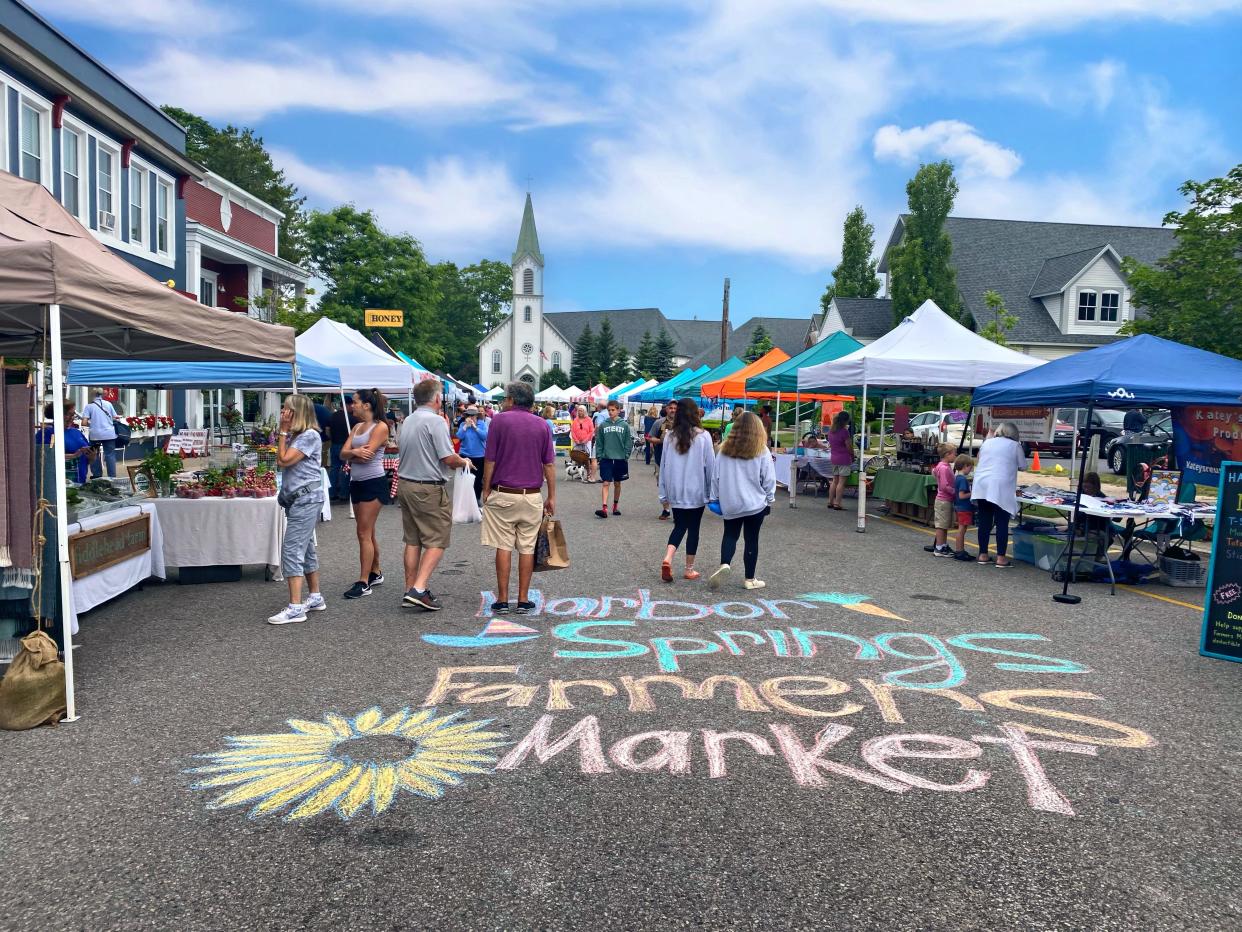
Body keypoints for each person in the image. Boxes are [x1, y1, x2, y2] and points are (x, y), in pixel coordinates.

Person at [481, 381, 556, 615]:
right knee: (526, 547)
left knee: (503, 545)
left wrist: (485, 488)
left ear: (511, 399)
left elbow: (490, 459)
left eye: (505, 398)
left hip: (504, 492)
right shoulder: (542, 425)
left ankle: (502, 599)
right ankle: (523, 599)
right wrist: (551, 495)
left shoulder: (499, 421)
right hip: (531, 495)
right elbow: (549, 464)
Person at [397, 379, 473, 611]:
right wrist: (464, 461)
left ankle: (410, 588)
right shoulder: (435, 421)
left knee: (413, 539)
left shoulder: (408, 420)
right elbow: (447, 458)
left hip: (406, 482)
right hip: (427, 486)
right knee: (437, 538)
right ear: (437, 398)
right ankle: (419, 589)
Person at [267, 395, 327, 624]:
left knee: (292, 549)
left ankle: (295, 607)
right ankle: (314, 596)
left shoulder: (309, 436)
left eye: (287, 409)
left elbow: (283, 460)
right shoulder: (301, 436)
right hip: (301, 499)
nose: (283, 413)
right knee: (307, 548)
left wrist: (282, 431)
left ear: (297, 413)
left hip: (305, 499)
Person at [709, 411, 775, 591]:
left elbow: (716, 476)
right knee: (751, 539)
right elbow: (768, 478)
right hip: (755, 504)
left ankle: (725, 563)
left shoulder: (724, 450)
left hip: (731, 502)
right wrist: (770, 499)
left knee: (730, 534)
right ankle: (749, 579)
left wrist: (714, 497)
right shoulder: (762, 450)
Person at [340, 388, 390, 598]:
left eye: (356, 402)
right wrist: (353, 453)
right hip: (357, 482)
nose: (352, 405)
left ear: (367, 405)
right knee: (367, 531)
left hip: (373, 482)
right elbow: (343, 453)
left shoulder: (380, 427)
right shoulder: (358, 426)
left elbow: (366, 457)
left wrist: (352, 455)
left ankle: (363, 581)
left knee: (363, 532)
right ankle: (375, 571)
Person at [657, 397, 714, 582]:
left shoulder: (670, 437)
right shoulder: (703, 436)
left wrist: (663, 492)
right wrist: (712, 492)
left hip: (676, 490)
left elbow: (664, 465)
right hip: (696, 490)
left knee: (679, 525)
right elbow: (710, 466)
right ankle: (689, 568)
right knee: (694, 528)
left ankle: (668, 557)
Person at [971, 421, 1026, 568]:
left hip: (982, 485)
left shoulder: (987, 443)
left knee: (984, 521)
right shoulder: (1015, 446)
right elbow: (1023, 466)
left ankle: (983, 554)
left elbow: (981, 459)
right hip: (1000, 487)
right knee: (1002, 522)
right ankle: (1001, 558)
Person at [36, 401, 93, 484]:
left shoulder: (77, 433)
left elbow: (87, 460)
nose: (72, 418)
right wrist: (74, 456)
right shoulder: (47, 433)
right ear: (57, 414)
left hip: (80, 483)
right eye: (69, 414)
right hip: (58, 484)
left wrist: (92, 456)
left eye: (73, 415)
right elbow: (46, 457)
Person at [594, 400, 633, 518]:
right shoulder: (604, 425)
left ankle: (615, 506)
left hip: (620, 458)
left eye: (613, 410)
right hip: (606, 458)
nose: (611, 412)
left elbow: (628, 441)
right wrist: (599, 456)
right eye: (609, 410)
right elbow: (599, 441)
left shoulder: (624, 425)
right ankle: (604, 508)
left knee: (617, 483)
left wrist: (626, 455)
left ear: (618, 410)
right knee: (606, 482)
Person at [82, 389, 119, 478]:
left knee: (94, 454)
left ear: (93, 395)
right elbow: (115, 417)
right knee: (110, 455)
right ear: (101, 395)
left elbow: (84, 423)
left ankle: (97, 476)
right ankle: (112, 477)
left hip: (95, 434)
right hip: (109, 434)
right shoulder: (109, 404)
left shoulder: (89, 406)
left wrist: (92, 422)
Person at [649, 401, 677, 516]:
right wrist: (661, 440)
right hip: (660, 458)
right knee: (661, 483)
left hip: (676, 460)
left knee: (675, 485)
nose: (673, 410)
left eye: (675, 408)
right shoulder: (659, 422)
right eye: (671, 408)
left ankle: (676, 511)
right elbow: (650, 437)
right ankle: (666, 509)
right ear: (666, 409)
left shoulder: (681, 424)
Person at [456, 405, 488, 503]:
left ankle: (477, 499)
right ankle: (466, 501)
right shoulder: (463, 425)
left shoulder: (482, 424)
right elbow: (459, 436)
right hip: (465, 456)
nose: (471, 417)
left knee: (478, 480)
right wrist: (465, 426)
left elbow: (484, 436)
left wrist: (475, 428)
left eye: (473, 415)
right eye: (469, 415)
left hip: (479, 456)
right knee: (465, 479)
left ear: (477, 416)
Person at [825, 410, 853, 511]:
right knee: (841, 482)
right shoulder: (844, 432)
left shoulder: (831, 431)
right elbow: (849, 446)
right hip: (844, 458)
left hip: (834, 457)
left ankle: (830, 501)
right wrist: (852, 455)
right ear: (846, 420)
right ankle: (837, 503)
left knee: (834, 481)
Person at [951, 454, 975, 561]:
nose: (971, 469)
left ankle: (960, 549)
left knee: (962, 528)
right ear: (965, 466)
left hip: (959, 507)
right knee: (962, 529)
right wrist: (973, 493)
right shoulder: (962, 480)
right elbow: (961, 495)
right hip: (964, 507)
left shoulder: (957, 478)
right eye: (970, 467)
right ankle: (959, 550)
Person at [328, 396, 351, 501]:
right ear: (347, 405)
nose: (352, 407)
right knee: (346, 470)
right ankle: (344, 493)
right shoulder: (350, 418)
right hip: (346, 447)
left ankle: (331, 493)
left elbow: (327, 430)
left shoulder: (332, 416)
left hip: (334, 445)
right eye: (351, 405)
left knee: (334, 469)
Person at [570, 405, 596, 480]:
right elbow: (573, 431)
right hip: (577, 441)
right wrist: (576, 439)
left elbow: (591, 431)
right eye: (579, 410)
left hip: (586, 441)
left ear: (585, 411)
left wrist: (586, 439)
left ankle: (588, 474)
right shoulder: (575, 420)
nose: (580, 412)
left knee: (586, 458)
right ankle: (579, 473)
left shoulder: (589, 420)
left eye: (581, 410)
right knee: (578, 457)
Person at [313, 398, 333, 468]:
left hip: (322, 433)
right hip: (325, 434)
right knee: (324, 451)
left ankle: (321, 465)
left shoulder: (312, 409)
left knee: (322, 451)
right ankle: (323, 466)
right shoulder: (320, 409)